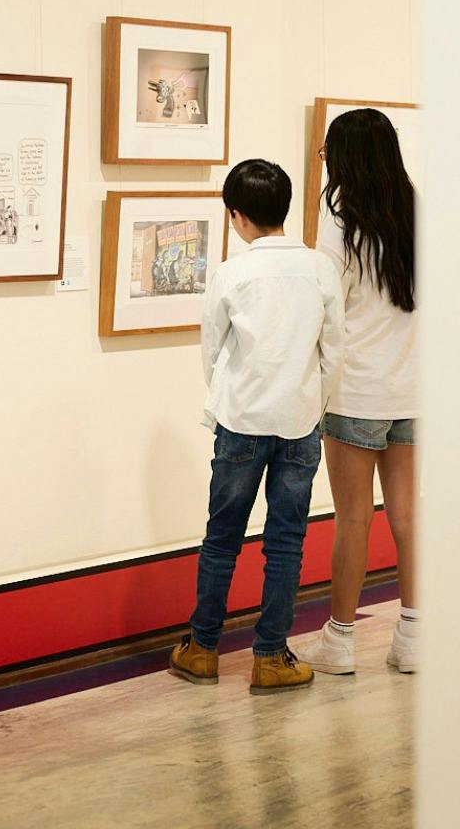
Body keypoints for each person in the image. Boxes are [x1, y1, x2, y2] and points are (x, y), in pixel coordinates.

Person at [169, 159, 344, 694]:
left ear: (237, 217)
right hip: (299, 422)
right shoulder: (319, 269)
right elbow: (333, 351)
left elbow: (211, 350)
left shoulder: (232, 272)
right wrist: (316, 403)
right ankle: (271, 656)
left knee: (222, 539)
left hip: (241, 420)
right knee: (286, 542)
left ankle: (202, 649)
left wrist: (228, 399)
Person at [297, 108, 420, 675]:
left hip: (357, 392)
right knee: (407, 515)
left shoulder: (339, 217)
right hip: (415, 389)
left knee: (352, 518)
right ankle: (414, 637)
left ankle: (341, 641)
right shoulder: (421, 210)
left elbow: (327, 304)